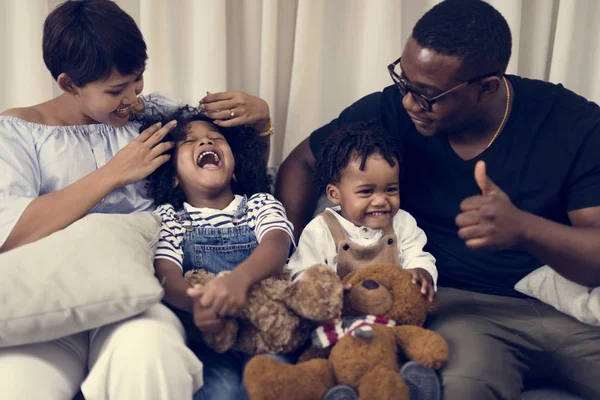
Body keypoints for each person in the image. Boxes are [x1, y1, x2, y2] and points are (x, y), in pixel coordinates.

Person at [275, 0, 600, 399]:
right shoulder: (392, 113)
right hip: (466, 312)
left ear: (486, 88)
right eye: (404, 82)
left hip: (565, 306)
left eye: (428, 95)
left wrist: (525, 230)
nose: (409, 102)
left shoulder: (569, 122)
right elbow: (303, 162)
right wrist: (285, 253)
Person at [0, 1, 273, 399]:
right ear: (68, 84)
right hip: (52, 307)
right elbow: (11, 232)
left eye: (137, 80)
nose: (133, 98)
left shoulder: (159, 115)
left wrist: (261, 121)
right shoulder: (19, 131)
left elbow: (234, 180)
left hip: (138, 300)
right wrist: (113, 173)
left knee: (153, 358)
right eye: (115, 90)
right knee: (20, 387)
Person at [144, 107, 294, 400]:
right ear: (172, 176)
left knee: (273, 384)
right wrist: (196, 305)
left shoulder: (259, 204)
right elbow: (165, 273)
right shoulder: (169, 217)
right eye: (189, 141)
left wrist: (239, 281)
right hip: (210, 341)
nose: (206, 143)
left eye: (216, 138)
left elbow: (277, 243)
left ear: (235, 168)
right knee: (219, 391)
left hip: (267, 333)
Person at [286, 120, 442, 400]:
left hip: (389, 325)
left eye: (390, 190)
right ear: (336, 194)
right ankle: (337, 389)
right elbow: (303, 273)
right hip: (340, 323)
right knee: (325, 359)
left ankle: (410, 384)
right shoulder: (322, 229)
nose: (381, 201)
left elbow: (420, 253)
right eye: (367, 192)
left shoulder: (402, 223)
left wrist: (421, 271)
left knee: (400, 353)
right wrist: (327, 291)